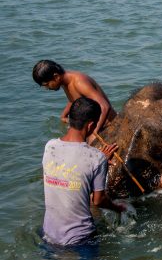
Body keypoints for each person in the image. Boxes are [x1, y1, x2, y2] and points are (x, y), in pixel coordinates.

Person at [42, 97, 125, 246]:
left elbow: (67, 171)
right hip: (80, 238)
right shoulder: (96, 158)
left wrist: (98, 161)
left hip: (49, 235)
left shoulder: (50, 147)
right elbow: (98, 201)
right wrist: (118, 208)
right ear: (91, 126)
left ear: (70, 118)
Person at [32, 60, 116, 137]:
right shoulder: (65, 82)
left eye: (47, 84)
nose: (47, 88)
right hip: (92, 124)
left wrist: (95, 131)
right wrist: (63, 115)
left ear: (56, 76)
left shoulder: (79, 82)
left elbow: (105, 106)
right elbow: (74, 99)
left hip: (106, 124)